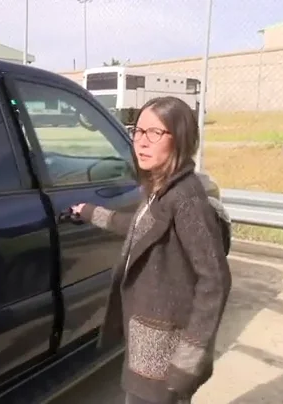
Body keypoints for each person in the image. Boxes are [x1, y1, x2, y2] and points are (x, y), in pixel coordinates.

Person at [70, 96, 232, 404]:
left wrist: (188, 360)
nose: (141, 142)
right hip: (148, 343)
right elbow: (140, 228)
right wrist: (90, 212)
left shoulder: (186, 200)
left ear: (180, 139)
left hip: (164, 356)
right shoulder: (161, 187)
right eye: (138, 131)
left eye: (154, 133)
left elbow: (215, 281)